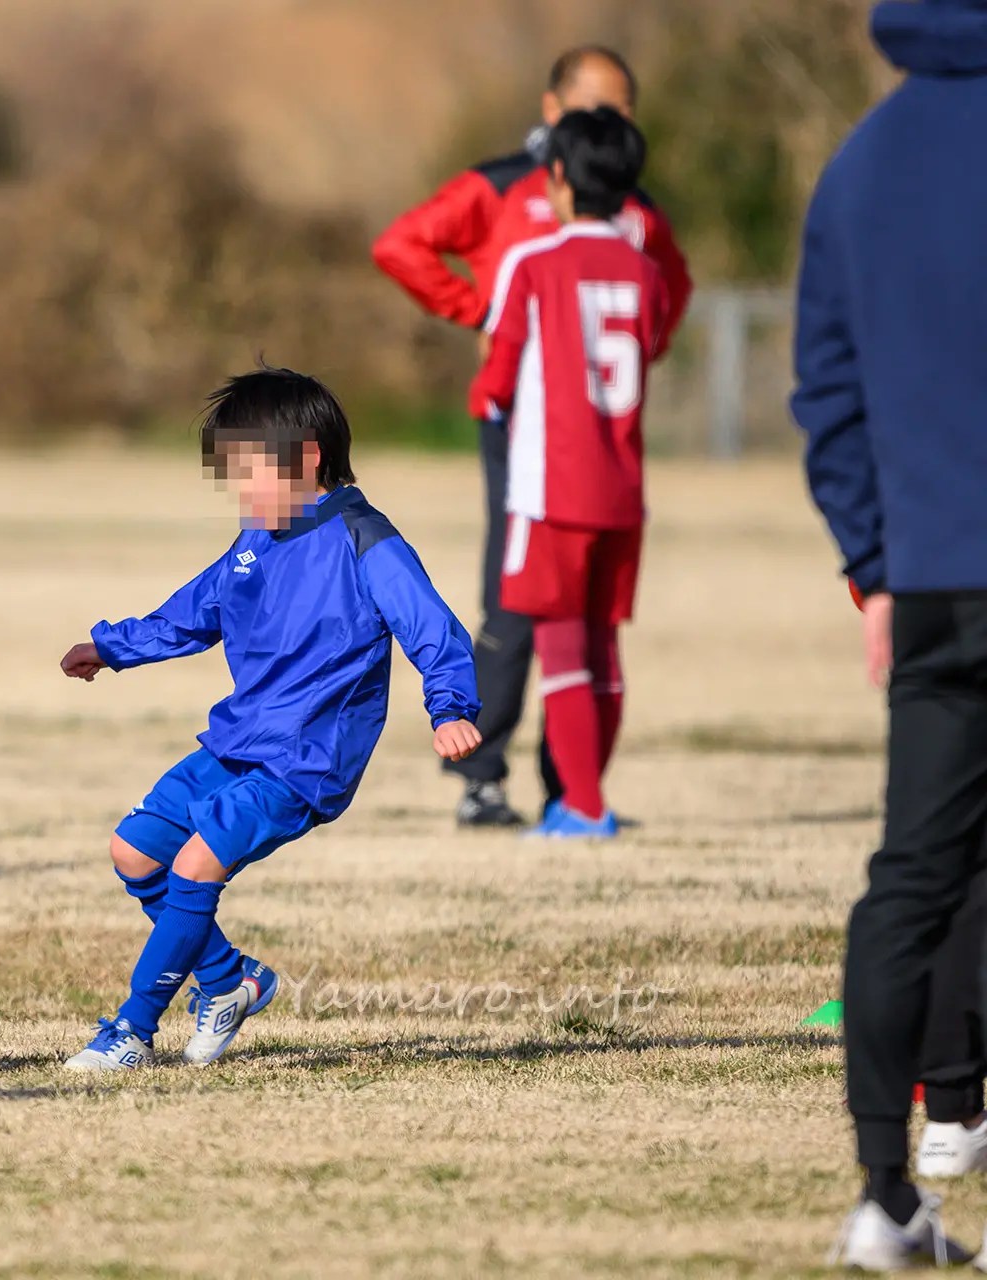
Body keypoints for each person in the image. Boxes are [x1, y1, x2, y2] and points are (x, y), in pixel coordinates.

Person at [57, 368, 482, 1070]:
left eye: (249, 470)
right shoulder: (257, 538)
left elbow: (430, 627)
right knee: (134, 851)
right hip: (239, 741)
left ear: (307, 457)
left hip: (305, 761)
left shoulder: (365, 539)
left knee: (195, 865)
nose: (241, 490)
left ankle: (131, 1030)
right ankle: (230, 981)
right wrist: (111, 648)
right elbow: (196, 611)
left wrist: (450, 708)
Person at [372, 44, 692, 829]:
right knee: (515, 607)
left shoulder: (632, 206)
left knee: (582, 622)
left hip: (592, 437)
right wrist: (479, 313)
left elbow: (670, 290)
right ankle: (486, 777)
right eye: (597, 107)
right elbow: (402, 245)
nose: (611, 121)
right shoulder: (504, 184)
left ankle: (572, 791)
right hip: (526, 429)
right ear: (553, 111)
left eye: (623, 110)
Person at [795, 0, 987, 1266]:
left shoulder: (860, 165)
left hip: (932, 574)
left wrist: (874, 562)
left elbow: (827, 392)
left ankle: (892, 1179)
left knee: (919, 863)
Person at [468, 108, 668, 839]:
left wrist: (489, 399)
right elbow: (650, 345)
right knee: (603, 644)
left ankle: (582, 805)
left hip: (552, 487)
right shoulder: (645, 271)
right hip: (622, 488)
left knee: (558, 644)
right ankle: (585, 795)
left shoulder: (535, 264)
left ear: (556, 178)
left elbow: (495, 378)